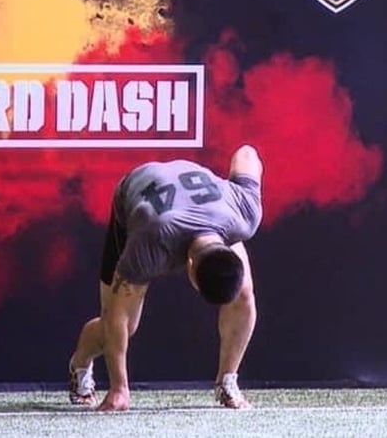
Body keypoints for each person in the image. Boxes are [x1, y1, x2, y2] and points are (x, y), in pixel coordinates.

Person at [67, 144, 264, 412]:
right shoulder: (150, 242)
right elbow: (118, 317)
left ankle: (227, 381)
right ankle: (80, 363)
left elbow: (247, 153)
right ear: (189, 265)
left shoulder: (244, 215)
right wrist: (118, 389)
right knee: (122, 326)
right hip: (140, 193)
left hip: (214, 214)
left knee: (243, 293)